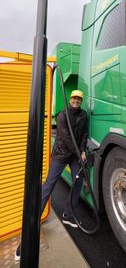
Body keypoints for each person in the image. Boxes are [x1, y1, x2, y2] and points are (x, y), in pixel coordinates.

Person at [15, 89, 88, 260]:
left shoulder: (84, 115)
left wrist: (83, 150)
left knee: (78, 181)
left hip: (76, 154)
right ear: (69, 99)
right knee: (49, 186)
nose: (76, 100)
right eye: (74, 98)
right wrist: (79, 152)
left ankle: (68, 214)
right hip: (62, 154)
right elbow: (65, 137)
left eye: (79, 99)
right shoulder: (62, 115)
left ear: (81, 101)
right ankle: (31, 229)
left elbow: (84, 134)